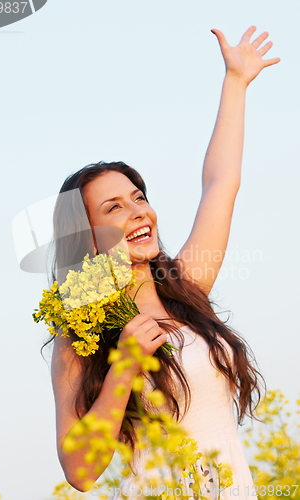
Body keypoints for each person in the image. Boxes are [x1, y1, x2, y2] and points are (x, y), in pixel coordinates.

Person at [48, 26, 280, 499]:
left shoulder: (187, 285)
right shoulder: (77, 338)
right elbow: (80, 471)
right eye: (113, 207)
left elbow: (221, 183)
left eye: (139, 198)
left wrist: (235, 82)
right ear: (85, 238)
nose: (139, 212)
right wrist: (124, 365)